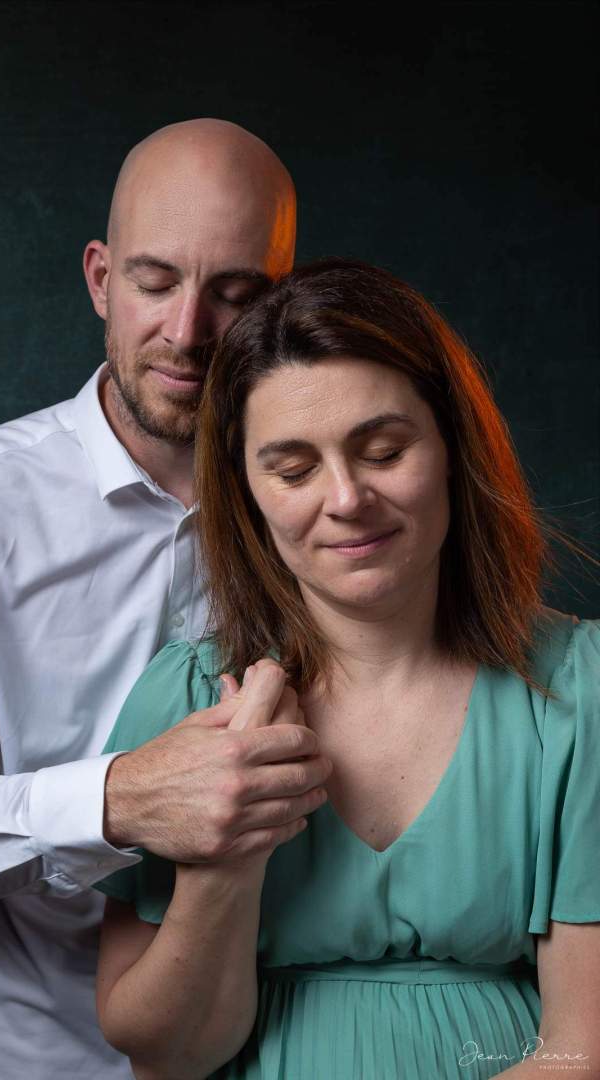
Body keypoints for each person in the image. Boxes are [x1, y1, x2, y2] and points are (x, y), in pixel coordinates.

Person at [0, 120, 332, 1080]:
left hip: (281, 1050)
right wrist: (119, 801)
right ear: (100, 279)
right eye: (155, 281)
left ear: (283, 299)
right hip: (31, 1060)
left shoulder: (330, 505)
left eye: (235, 293)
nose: (187, 333)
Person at [93, 259, 600, 1079]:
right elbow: (169, 1056)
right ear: (247, 490)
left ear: (451, 446)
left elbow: (585, 1051)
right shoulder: (186, 697)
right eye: (292, 470)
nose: (346, 499)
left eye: (384, 450)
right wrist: (231, 856)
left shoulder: (579, 690)